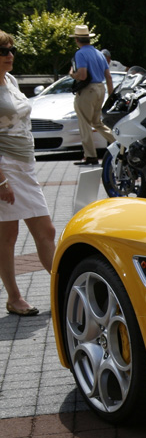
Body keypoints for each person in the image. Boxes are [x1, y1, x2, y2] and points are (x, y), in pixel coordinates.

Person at [0, 30, 55, 317]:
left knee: (41, 230)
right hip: (4, 166)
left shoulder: (9, 80)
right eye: (2, 51)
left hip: (23, 163)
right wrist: (1, 181)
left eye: (11, 50)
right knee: (10, 235)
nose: (9, 56)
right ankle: (15, 297)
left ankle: (62, 286)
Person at [67, 24, 114, 167]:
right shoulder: (99, 54)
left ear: (77, 40)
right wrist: (111, 96)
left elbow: (82, 75)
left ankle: (90, 156)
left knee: (85, 123)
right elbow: (109, 77)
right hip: (100, 88)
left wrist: (71, 74)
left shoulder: (80, 53)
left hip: (88, 90)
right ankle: (121, 142)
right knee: (97, 122)